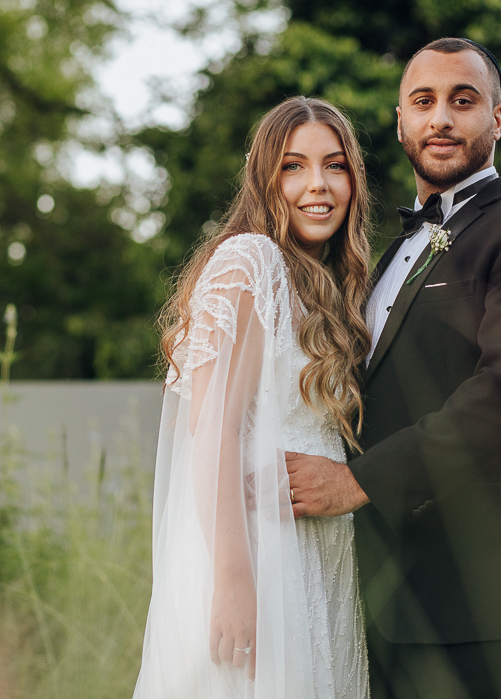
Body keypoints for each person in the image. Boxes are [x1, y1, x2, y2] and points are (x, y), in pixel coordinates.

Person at [285, 38, 501, 699]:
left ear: (497, 119)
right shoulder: (387, 253)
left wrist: (355, 484)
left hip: (486, 608)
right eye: (422, 102)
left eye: (463, 101)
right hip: (380, 605)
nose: (441, 120)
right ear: (399, 120)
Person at [132, 96, 373, 699]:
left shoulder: (333, 292)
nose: (317, 185)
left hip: (322, 561)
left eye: (335, 165)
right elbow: (212, 430)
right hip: (260, 562)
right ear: (265, 179)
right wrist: (235, 580)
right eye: (293, 166)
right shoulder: (252, 262)